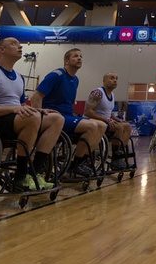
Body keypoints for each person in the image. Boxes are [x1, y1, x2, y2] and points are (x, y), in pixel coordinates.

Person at [0, 37, 63, 191]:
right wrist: (13, 109)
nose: (20, 47)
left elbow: (21, 106)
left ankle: (35, 172)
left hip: (14, 119)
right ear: (1, 50)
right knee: (31, 117)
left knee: (56, 119)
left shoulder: (19, 77)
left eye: (19, 44)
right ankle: (21, 175)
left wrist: (37, 110)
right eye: (13, 44)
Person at [30, 48, 102, 179]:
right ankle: (77, 164)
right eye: (75, 56)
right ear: (67, 61)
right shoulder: (56, 75)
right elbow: (36, 97)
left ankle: (82, 161)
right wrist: (38, 116)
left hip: (68, 116)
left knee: (102, 125)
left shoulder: (76, 80)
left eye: (81, 56)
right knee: (92, 126)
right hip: (55, 116)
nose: (79, 58)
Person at [84, 72, 132, 170]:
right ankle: (115, 160)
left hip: (106, 122)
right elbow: (87, 112)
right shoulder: (97, 93)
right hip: (93, 122)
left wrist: (117, 119)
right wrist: (106, 119)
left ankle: (120, 155)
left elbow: (108, 112)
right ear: (104, 81)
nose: (115, 80)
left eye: (116, 78)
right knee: (118, 127)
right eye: (112, 78)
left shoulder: (112, 94)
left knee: (127, 126)